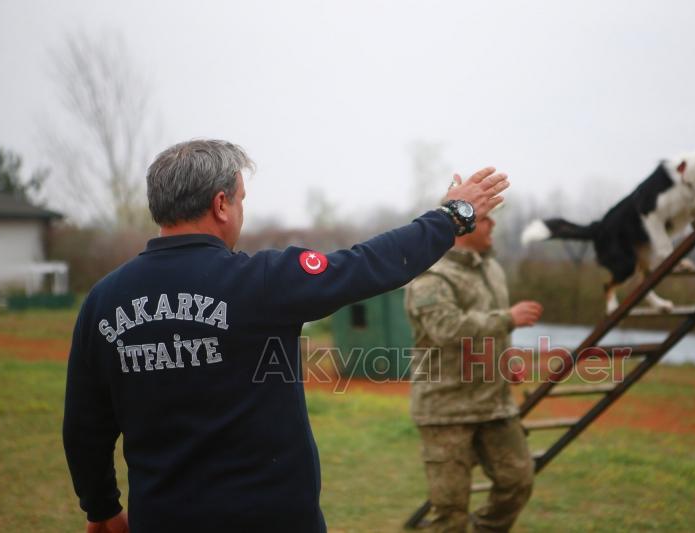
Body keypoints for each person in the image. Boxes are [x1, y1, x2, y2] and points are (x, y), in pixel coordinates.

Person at [62, 139, 510, 533]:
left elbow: (85, 426)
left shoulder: (103, 302)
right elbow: (368, 265)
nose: (241, 211)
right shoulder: (262, 282)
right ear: (221, 205)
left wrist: (101, 507)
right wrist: (452, 217)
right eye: (241, 199)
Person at [405, 201, 544, 533]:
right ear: (459, 227)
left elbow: (494, 331)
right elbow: (447, 328)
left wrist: (507, 359)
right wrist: (509, 318)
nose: (492, 224)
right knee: (450, 512)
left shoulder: (492, 269)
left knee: (518, 482)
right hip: (445, 409)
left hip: (495, 406)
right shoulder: (430, 276)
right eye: (484, 219)